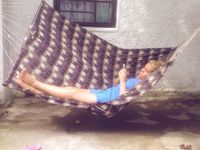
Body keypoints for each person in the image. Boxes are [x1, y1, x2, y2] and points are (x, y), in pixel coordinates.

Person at [14, 60, 164, 104]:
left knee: (70, 93)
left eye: (145, 71)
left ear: (151, 75)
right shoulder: (136, 79)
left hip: (103, 98)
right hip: (103, 92)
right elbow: (116, 87)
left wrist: (123, 80)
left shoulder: (139, 84)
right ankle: (30, 88)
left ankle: (34, 83)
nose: (141, 71)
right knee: (68, 88)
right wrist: (119, 79)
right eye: (143, 68)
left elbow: (123, 97)